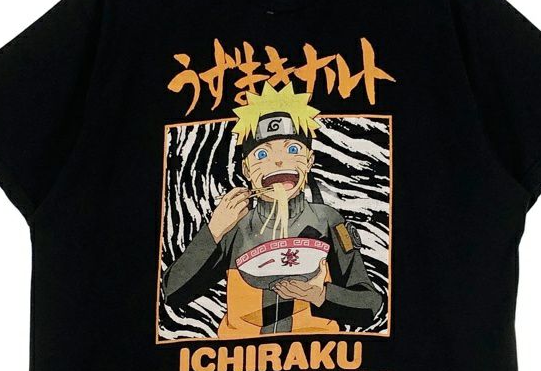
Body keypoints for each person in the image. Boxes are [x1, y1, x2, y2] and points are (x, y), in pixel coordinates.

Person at [162, 82, 383, 337]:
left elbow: (370, 303)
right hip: (239, 357)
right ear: (246, 170)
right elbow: (173, 294)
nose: (278, 161)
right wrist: (213, 231)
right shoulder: (233, 227)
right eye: (261, 154)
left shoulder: (328, 221)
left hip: (315, 353)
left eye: (292, 149)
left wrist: (320, 295)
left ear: (309, 161)